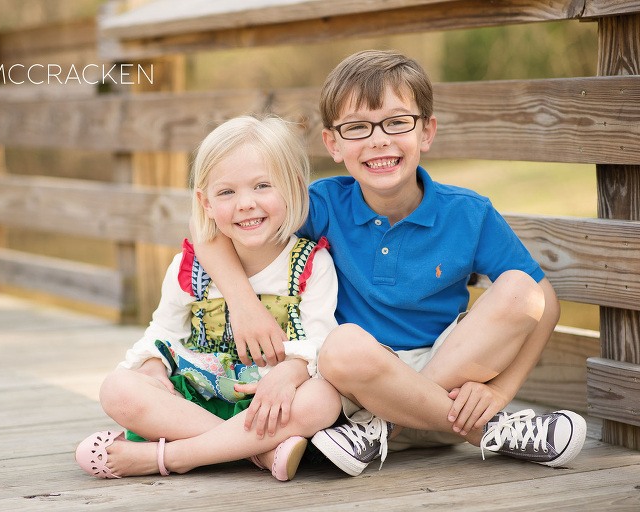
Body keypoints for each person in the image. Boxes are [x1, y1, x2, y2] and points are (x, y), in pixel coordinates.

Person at [191, 50, 586, 477]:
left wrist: (502, 391)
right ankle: (492, 432)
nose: (379, 139)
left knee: (521, 290)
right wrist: (246, 306)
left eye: (397, 122)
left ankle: (387, 427)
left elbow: (544, 300)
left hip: (432, 392)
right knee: (341, 346)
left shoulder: (468, 213)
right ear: (333, 144)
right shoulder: (321, 204)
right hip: (357, 388)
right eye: (358, 127)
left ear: (426, 132)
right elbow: (205, 229)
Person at [75, 115, 341, 481]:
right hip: (197, 396)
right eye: (227, 192)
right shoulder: (190, 268)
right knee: (118, 389)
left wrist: (288, 373)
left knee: (323, 400)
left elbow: (320, 342)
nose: (245, 203)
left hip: (270, 404)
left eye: (262, 185)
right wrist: (153, 363)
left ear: (295, 188)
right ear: (205, 201)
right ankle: (260, 453)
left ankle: (170, 455)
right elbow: (164, 330)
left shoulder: (311, 264)